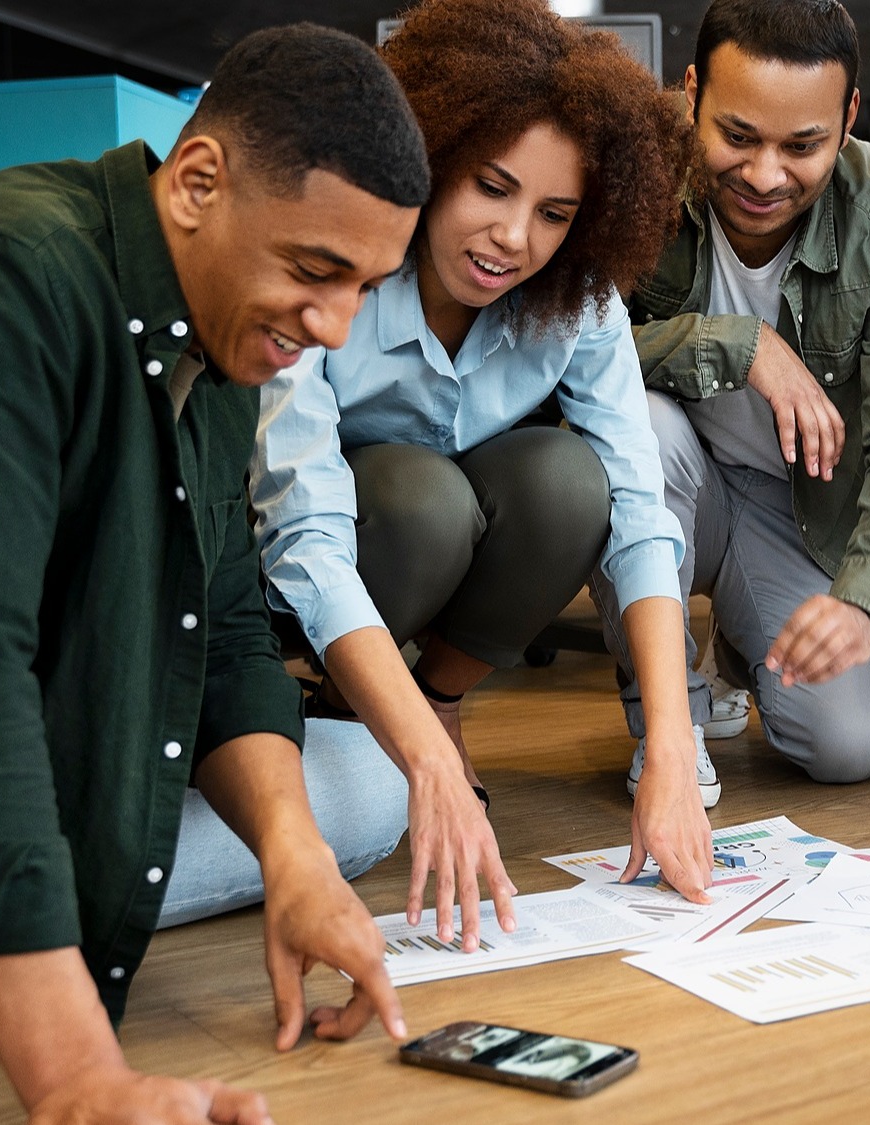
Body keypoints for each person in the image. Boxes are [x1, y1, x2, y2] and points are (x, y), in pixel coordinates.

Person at [0, 25, 426, 1123]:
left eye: (365, 287)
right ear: (198, 182)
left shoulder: (227, 327)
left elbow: (229, 624)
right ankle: (9, 945)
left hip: (62, 729)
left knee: (359, 795)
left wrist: (295, 862)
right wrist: (76, 1081)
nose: (336, 326)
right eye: (315, 271)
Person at [251, 0, 715, 953]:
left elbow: (636, 503)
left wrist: (668, 738)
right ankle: (371, 711)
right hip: (340, 553)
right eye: (490, 188)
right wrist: (423, 769)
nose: (513, 238)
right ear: (432, 155)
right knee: (423, 498)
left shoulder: (576, 297)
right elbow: (306, 531)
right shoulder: (339, 265)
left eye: (554, 212)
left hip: (463, 537)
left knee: (569, 481)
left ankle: (441, 697)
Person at [592, 0, 870, 792]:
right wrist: (740, 345)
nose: (765, 176)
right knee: (636, 426)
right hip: (670, 466)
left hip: (798, 512)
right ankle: (671, 722)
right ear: (692, 92)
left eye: (803, 146)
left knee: (850, 745)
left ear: (849, 115)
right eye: (737, 137)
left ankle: (737, 641)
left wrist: (866, 604)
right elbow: (560, 358)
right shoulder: (629, 172)